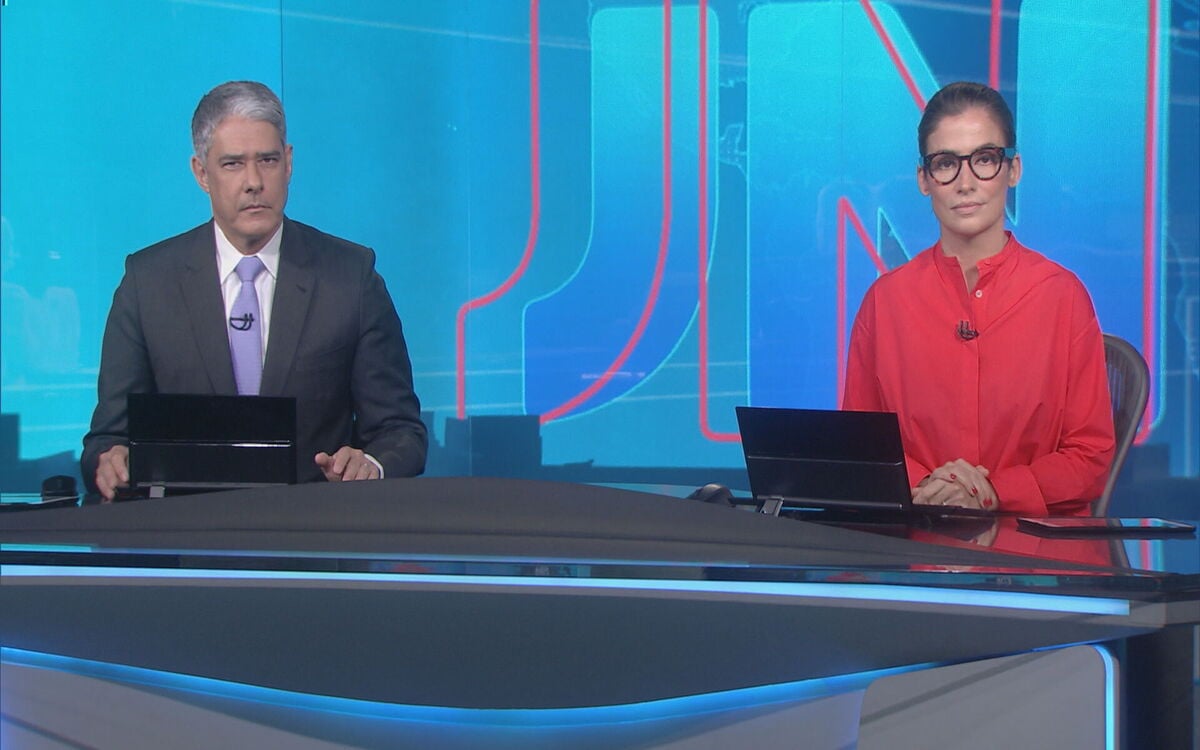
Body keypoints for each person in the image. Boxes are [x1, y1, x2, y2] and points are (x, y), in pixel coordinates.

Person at [82, 81, 427, 499]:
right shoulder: (147, 283)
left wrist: (370, 464)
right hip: (186, 546)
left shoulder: (350, 277)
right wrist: (110, 460)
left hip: (311, 541)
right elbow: (106, 438)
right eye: (232, 164)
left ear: (289, 163)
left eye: (267, 160)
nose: (253, 182)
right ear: (201, 173)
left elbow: (400, 432)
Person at [842, 81, 1114, 516]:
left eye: (985, 159)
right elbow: (859, 444)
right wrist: (930, 487)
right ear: (924, 180)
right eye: (946, 163)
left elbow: (1090, 457)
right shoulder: (884, 302)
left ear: (1013, 169)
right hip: (915, 550)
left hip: (1034, 559)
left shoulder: (1062, 296)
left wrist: (993, 491)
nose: (965, 183)